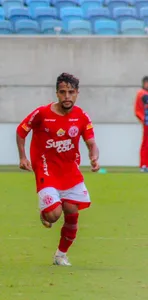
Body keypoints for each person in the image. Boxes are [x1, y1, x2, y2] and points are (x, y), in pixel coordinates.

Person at [16, 73, 100, 266]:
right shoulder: (42, 113)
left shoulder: (81, 116)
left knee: (72, 213)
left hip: (70, 171)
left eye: (71, 92)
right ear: (57, 93)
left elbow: (91, 142)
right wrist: (23, 156)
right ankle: (46, 212)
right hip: (46, 168)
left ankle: (60, 255)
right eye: (63, 92)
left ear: (77, 93)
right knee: (54, 214)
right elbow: (21, 131)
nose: (67, 96)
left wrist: (94, 156)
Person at [134, 76, 148, 172]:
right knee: (146, 144)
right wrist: (143, 119)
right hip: (147, 122)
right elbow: (138, 110)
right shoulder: (142, 93)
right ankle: (144, 165)